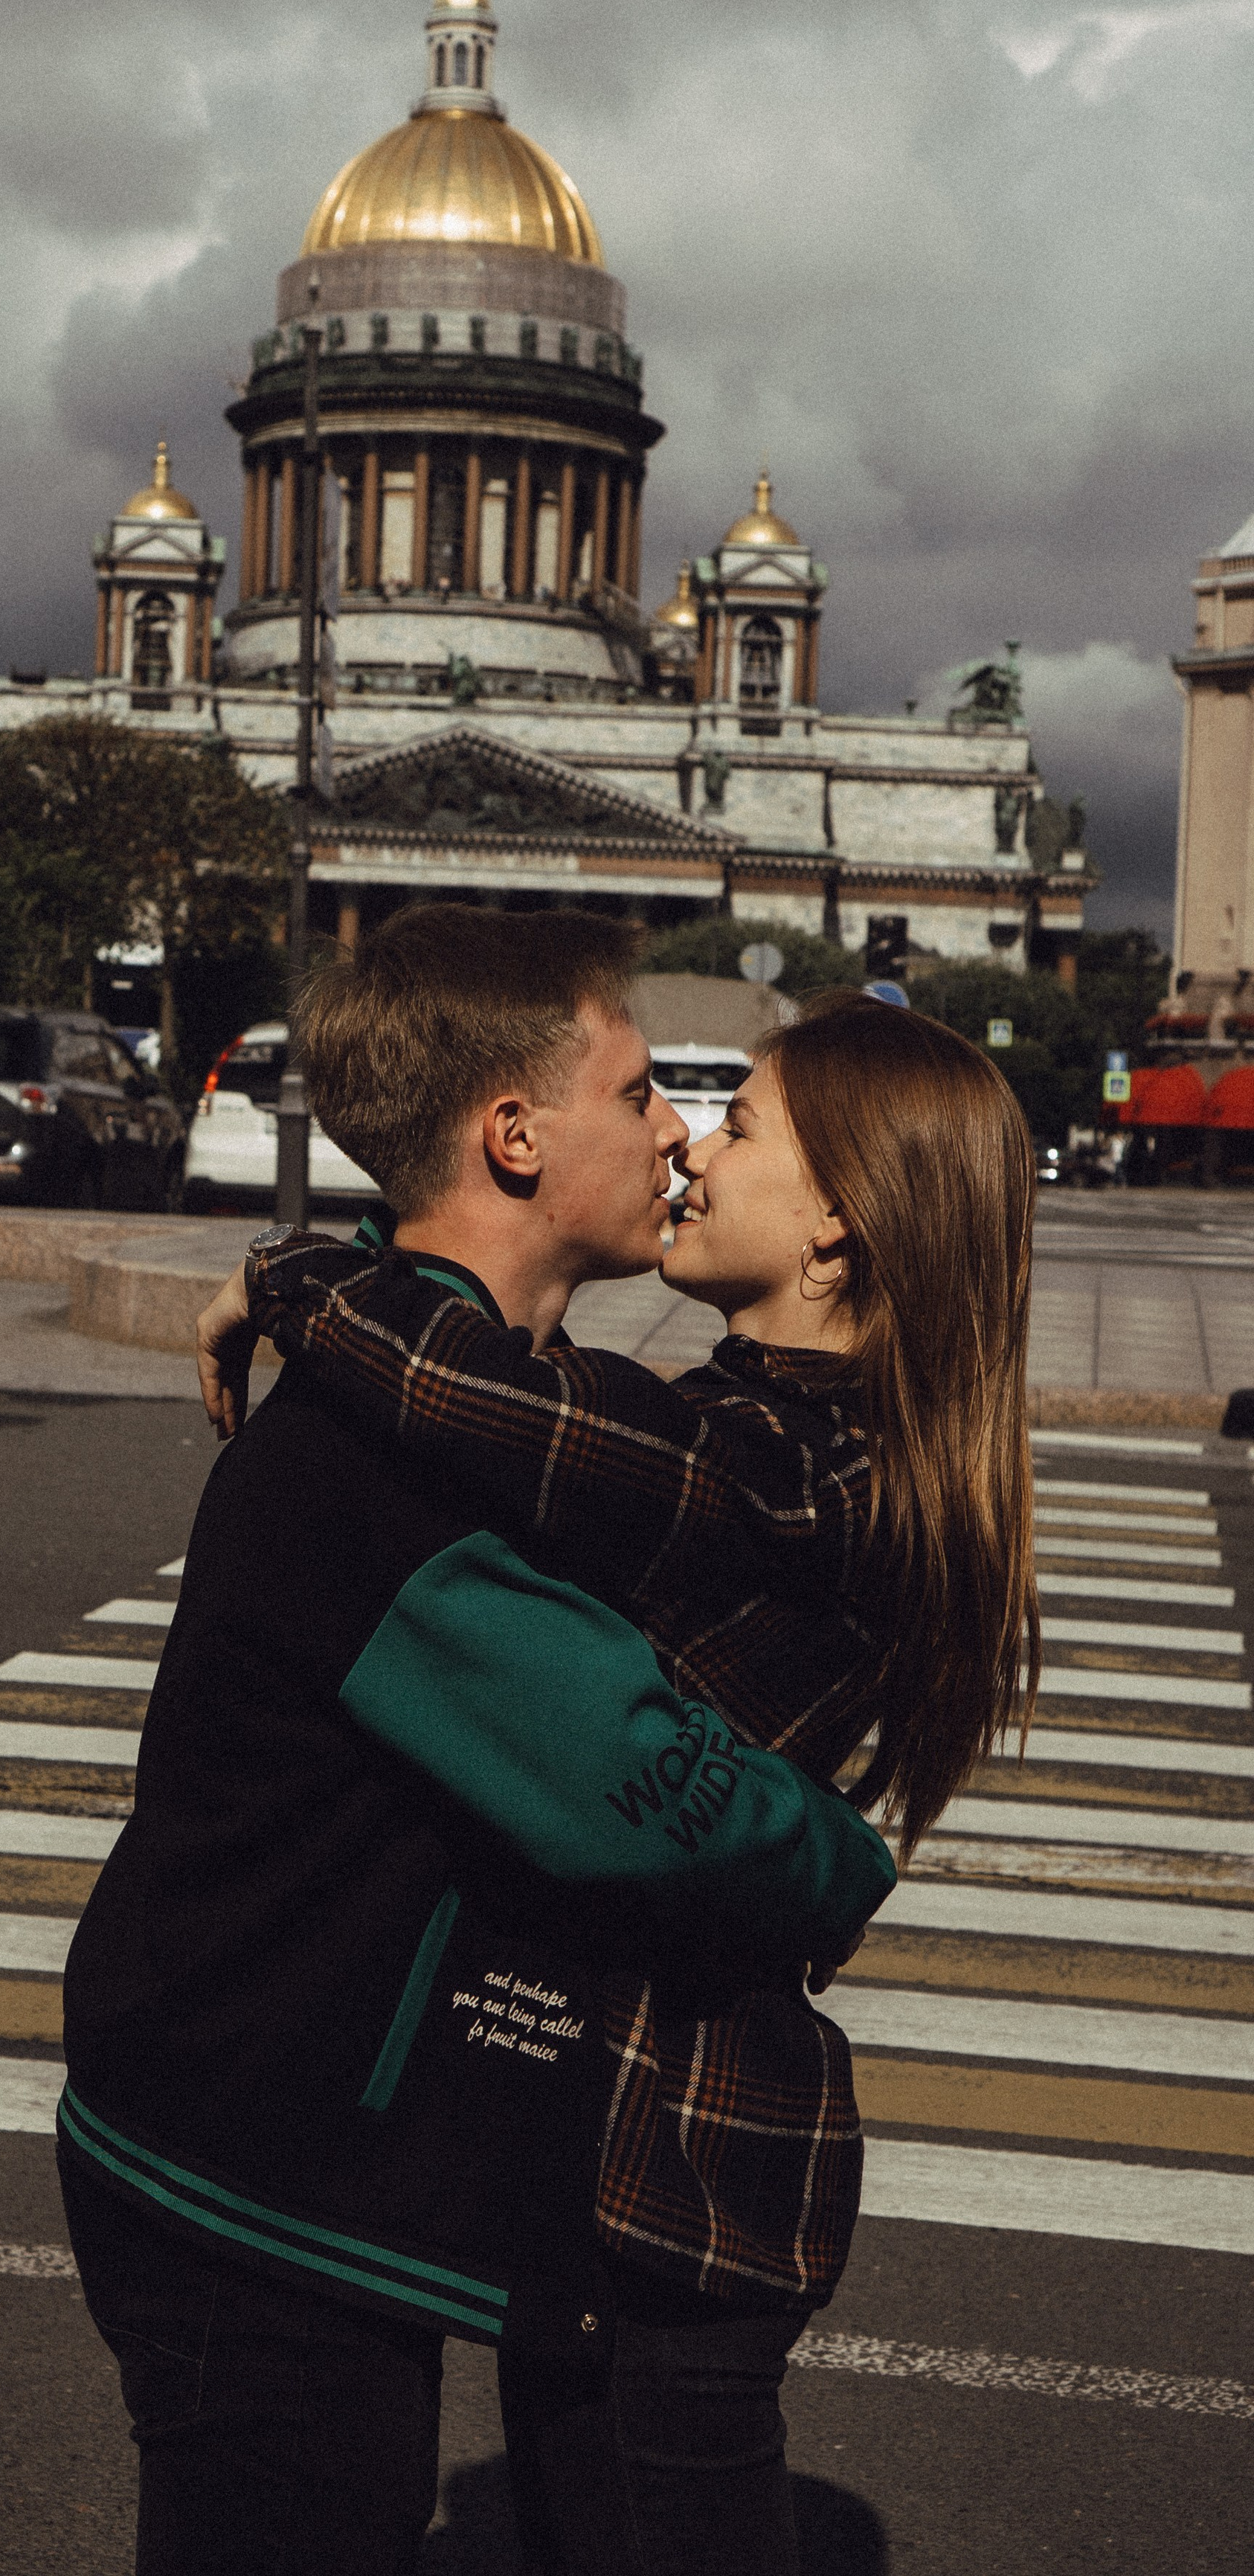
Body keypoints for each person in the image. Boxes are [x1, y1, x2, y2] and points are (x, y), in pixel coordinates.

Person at [60, 908, 898, 2576]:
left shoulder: (503, 1406)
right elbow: (630, 1782)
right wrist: (836, 1863)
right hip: (247, 2173)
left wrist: (300, 1277)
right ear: (513, 1135)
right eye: (643, 1087)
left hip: (303, 2159)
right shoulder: (390, 1477)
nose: (672, 1128)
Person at [201, 948, 1040, 2576]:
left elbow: (493, 1396)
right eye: (677, 1102)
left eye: (741, 1124)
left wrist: (295, 1280)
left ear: (831, 1225)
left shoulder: (792, 1461)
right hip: (614, 2157)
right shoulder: (791, 1430)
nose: (690, 1144)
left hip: (674, 2174)